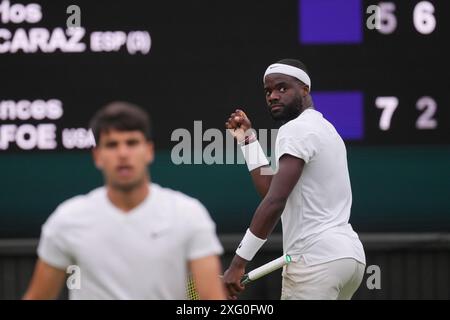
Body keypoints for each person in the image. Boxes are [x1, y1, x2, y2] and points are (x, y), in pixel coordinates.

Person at [24, 101, 226, 300]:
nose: (122, 154)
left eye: (132, 143)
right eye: (112, 145)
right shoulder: (66, 220)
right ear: (97, 156)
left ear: (149, 151)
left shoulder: (188, 215)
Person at [223, 59, 366, 300]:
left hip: (316, 262)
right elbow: (272, 191)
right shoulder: (327, 130)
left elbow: (275, 202)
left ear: (305, 90)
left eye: (282, 88)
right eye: (268, 91)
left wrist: (238, 263)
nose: (273, 96)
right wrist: (247, 140)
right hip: (349, 260)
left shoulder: (296, 130)